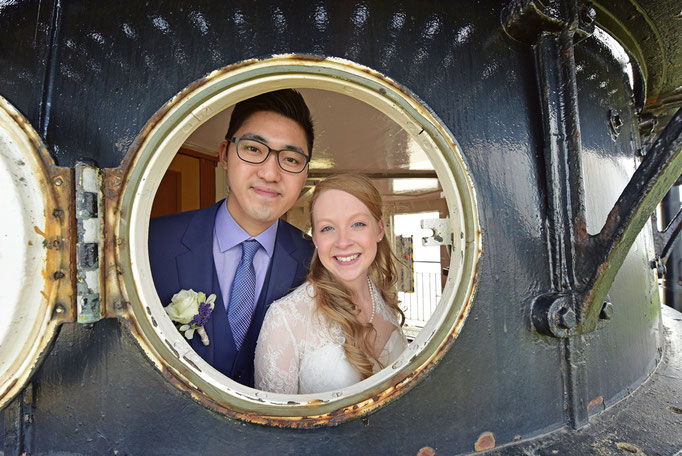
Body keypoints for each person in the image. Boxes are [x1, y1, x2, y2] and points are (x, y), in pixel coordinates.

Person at [149, 89, 315, 387]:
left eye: (290, 159)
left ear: (304, 174)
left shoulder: (314, 260)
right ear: (225, 155)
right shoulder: (150, 242)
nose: (270, 173)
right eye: (253, 149)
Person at [254, 174, 407, 394]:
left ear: (379, 230)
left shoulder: (385, 301)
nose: (343, 242)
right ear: (315, 237)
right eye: (327, 228)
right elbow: (274, 425)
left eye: (357, 224)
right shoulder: (285, 318)